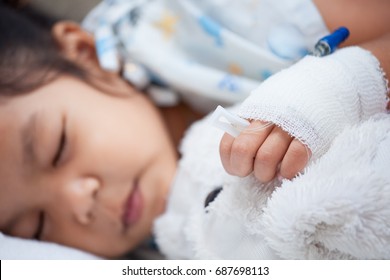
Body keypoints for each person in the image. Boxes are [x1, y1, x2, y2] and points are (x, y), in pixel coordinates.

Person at [0, 0, 389, 259]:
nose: (80, 203)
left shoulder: (231, 16)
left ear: (83, 54)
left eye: (58, 147)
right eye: (37, 227)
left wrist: (336, 86)